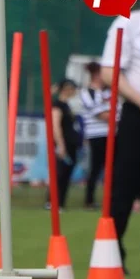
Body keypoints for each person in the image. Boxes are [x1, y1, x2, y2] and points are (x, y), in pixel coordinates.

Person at [100, 0, 140, 279]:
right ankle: (111, 254)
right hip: (139, 114)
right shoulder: (129, 22)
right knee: (124, 187)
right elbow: (108, 71)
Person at [47, 79, 83, 211]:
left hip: (71, 144)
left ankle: (60, 202)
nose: (73, 91)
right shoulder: (58, 105)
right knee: (59, 174)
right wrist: (61, 145)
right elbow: (55, 126)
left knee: (67, 174)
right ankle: (52, 202)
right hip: (64, 144)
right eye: (71, 88)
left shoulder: (69, 106)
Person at [80, 62, 111, 210]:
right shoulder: (87, 92)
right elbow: (101, 114)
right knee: (96, 168)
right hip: (96, 135)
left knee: (113, 168)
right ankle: (89, 200)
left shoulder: (109, 92)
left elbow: (117, 111)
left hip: (112, 134)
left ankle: (111, 200)